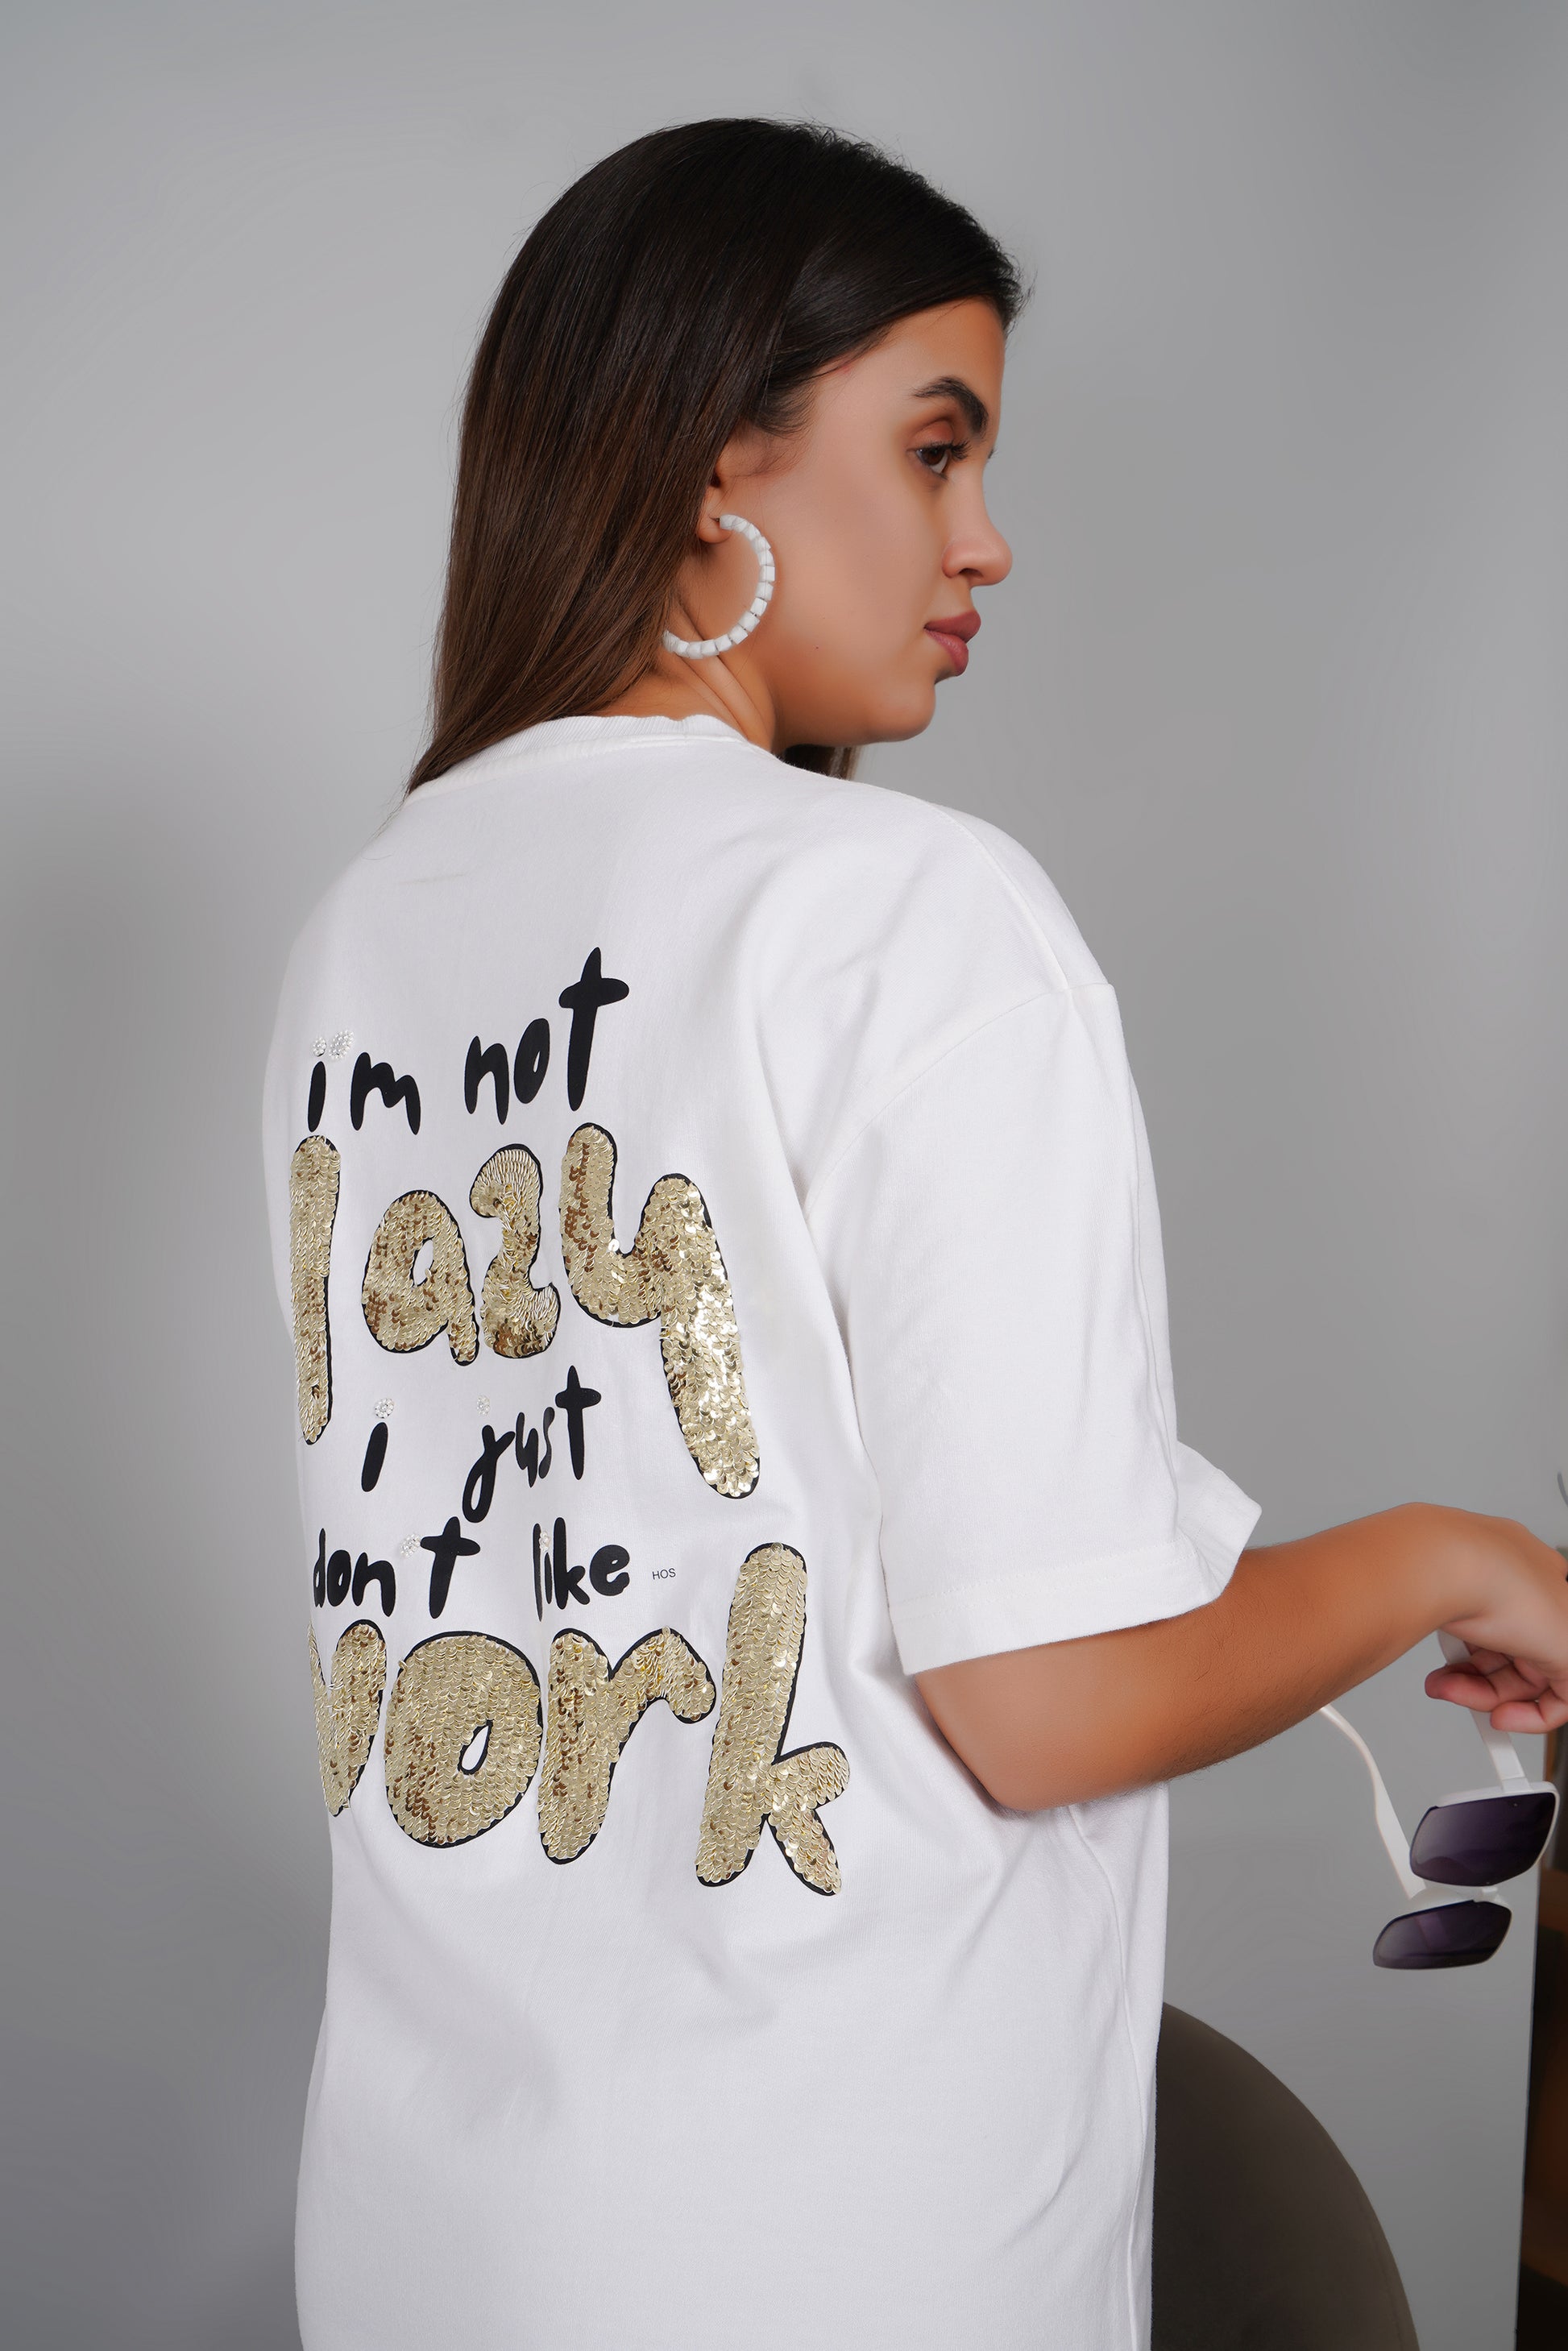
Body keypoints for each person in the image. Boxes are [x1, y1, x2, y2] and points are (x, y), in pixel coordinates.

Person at [261, 118, 1568, 2351]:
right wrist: (1454, 1557)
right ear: (714, 465)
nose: (987, 541)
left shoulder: (372, 924)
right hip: (834, 2247)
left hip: (425, 2242)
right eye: (934, 449)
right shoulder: (903, 912)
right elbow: (1046, 1705)